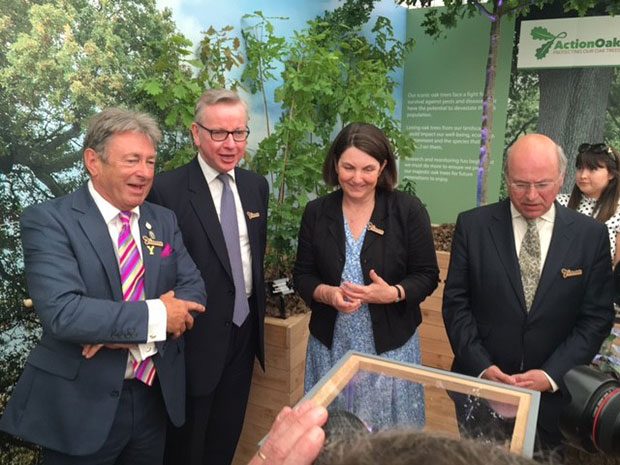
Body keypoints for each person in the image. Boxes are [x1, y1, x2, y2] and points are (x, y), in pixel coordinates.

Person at [0, 108, 206, 464]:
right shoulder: (50, 221)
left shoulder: (162, 219)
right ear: (93, 161)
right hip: (80, 406)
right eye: (132, 160)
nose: (143, 172)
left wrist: (108, 328)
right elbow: (65, 313)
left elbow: (193, 290)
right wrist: (156, 316)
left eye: (150, 162)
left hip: (152, 397)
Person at [442, 133, 615, 454]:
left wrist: (551, 374)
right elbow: (457, 306)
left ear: (562, 178)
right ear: (506, 178)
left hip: (555, 398)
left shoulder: (590, 236)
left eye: (544, 184)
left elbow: (596, 318)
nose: (532, 195)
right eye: (520, 184)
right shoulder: (473, 226)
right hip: (480, 390)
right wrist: (483, 367)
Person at [148, 89, 269, 465]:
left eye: (239, 133)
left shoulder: (255, 186)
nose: (230, 144)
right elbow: (158, 267)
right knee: (187, 448)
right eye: (218, 133)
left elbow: (252, 258)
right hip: (193, 339)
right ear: (196, 133)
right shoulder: (166, 190)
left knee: (225, 440)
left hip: (245, 332)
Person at [293, 122, 439, 431]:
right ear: (335, 164)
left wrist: (394, 293)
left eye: (368, 169)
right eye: (348, 167)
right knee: (335, 438)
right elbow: (303, 275)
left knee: (390, 444)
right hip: (331, 347)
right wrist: (326, 294)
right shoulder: (317, 212)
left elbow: (427, 275)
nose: (357, 178)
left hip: (390, 350)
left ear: (383, 166)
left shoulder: (407, 210)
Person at [557, 143, 620, 264]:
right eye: (580, 168)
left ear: (611, 174)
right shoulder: (559, 202)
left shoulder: (618, 213)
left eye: (592, 169)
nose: (583, 175)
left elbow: (617, 269)